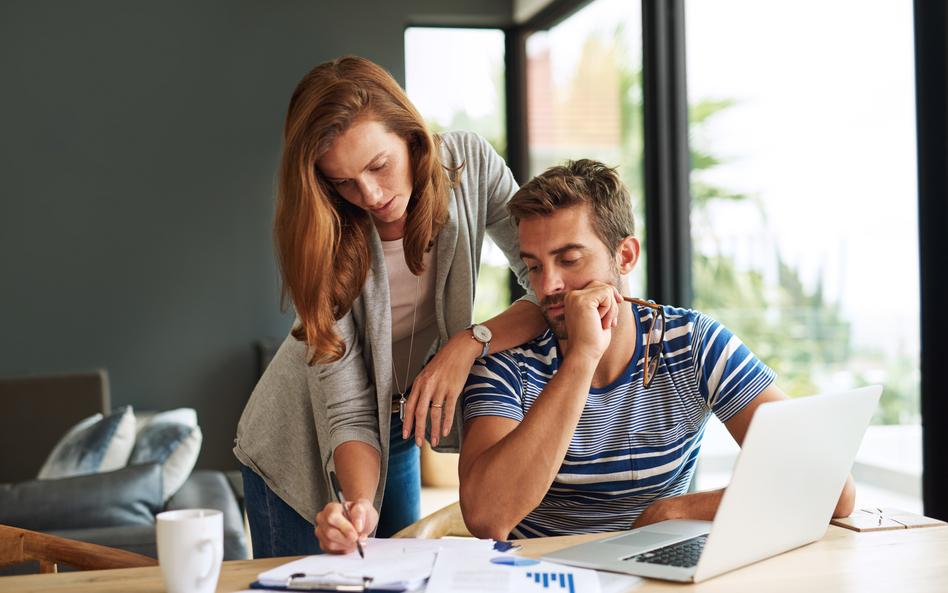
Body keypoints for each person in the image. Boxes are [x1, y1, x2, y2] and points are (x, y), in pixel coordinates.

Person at [234, 56, 545, 557]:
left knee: (400, 576)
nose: (371, 195)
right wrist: (357, 505)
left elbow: (546, 283)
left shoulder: (469, 165)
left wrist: (472, 341)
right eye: (343, 182)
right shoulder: (325, 237)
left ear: (410, 136)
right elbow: (348, 406)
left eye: (379, 165)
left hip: (396, 426)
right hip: (298, 444)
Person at [458, 159, 856, 540]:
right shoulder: (505, 363)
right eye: (535, 266)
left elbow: (832, 488)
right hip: (542, 577)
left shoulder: (692, 342)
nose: (548, 287)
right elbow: (486, 518)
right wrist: (582, 358)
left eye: (569, 260)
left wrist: (673, 511)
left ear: (625, 256)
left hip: (656, 577)